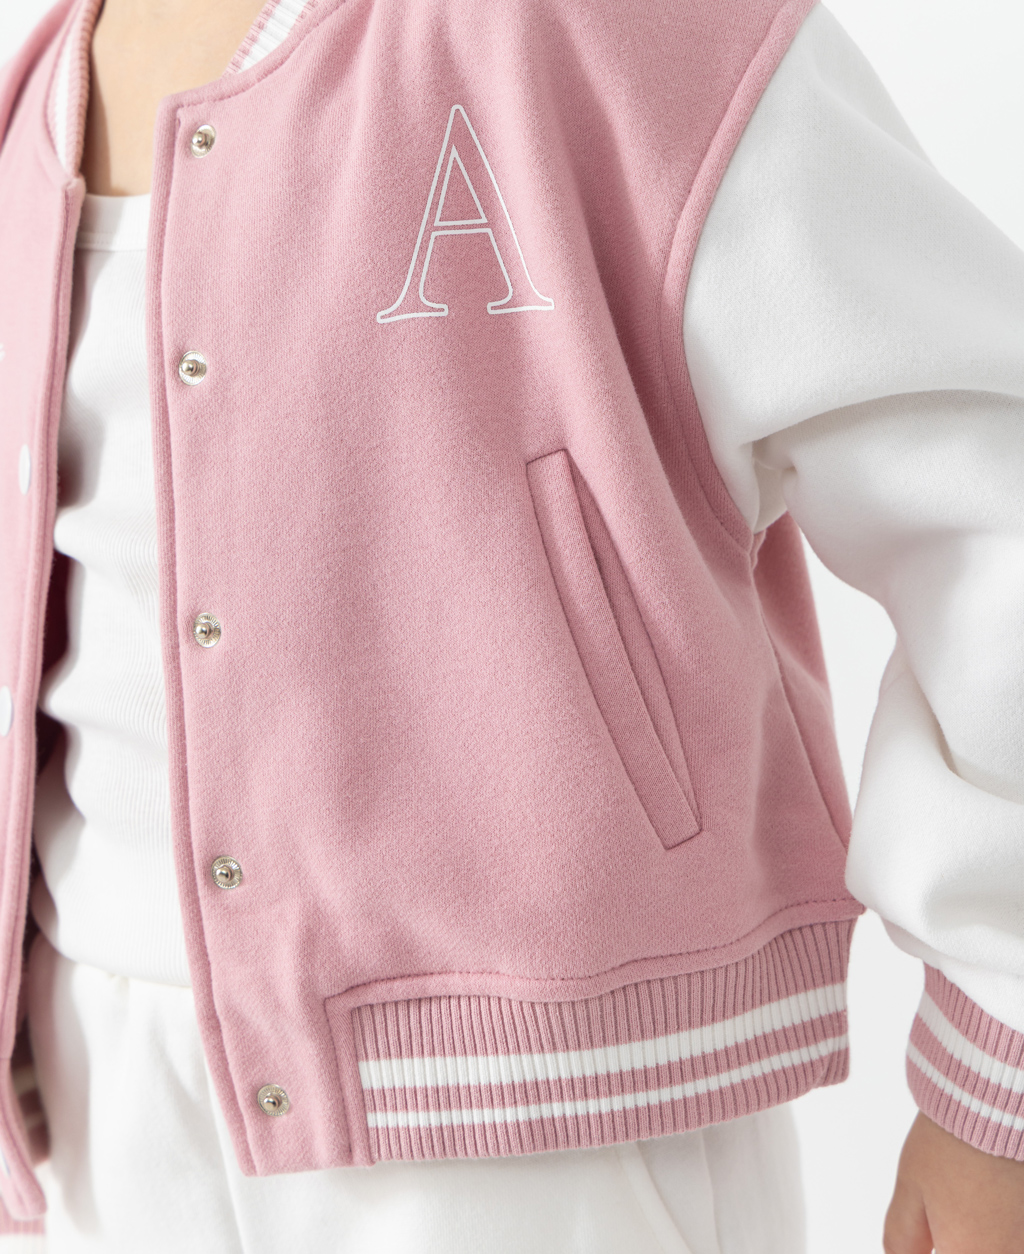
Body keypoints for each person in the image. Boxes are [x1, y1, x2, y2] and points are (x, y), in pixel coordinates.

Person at [0, 0, 1023, 1249]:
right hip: (105, 1093)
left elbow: (992, 508)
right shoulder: (38, 85)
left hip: (549, 1114)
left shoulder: (617, 32)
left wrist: (999, 1064)